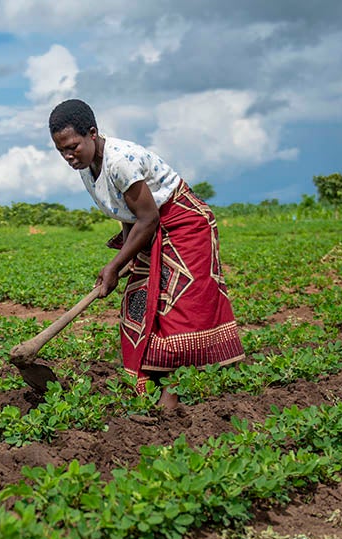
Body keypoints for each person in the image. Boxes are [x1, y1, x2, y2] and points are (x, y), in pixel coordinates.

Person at [48, 98, 244, 411]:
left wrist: (114, 264)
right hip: (148, 229)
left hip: (184, 225)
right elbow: (127, 213)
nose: (69, 156)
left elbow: (149, 217)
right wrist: (126, 260)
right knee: (139, 304)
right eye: (61, 151)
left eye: (73, 147)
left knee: (177, 306)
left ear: (92, 134)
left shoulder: (120, 161)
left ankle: (173, 393)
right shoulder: (87, 168)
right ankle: (146, 387)